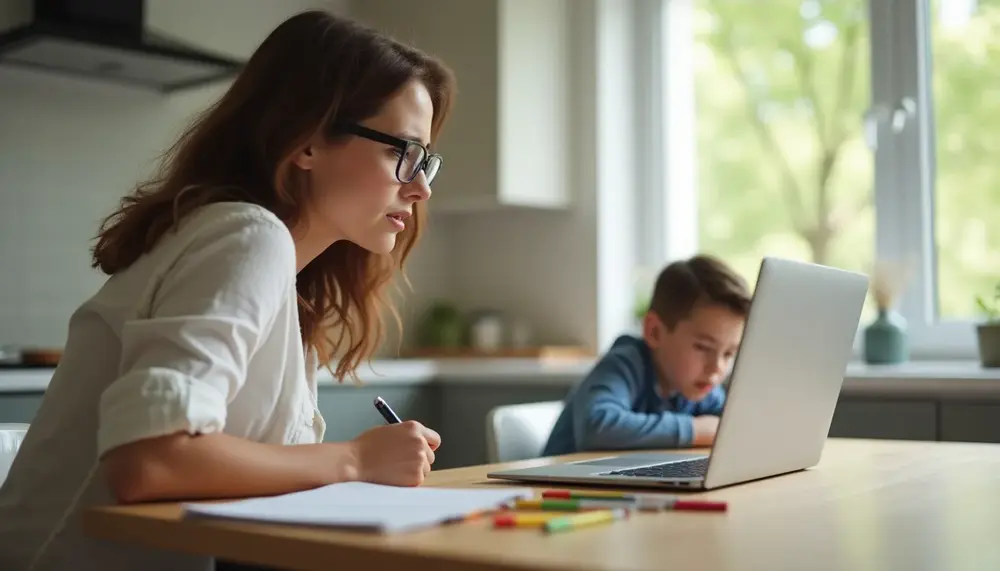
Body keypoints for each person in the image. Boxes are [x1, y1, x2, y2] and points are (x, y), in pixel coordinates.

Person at [0, 10, 455, 571]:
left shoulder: (277, 275)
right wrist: (355, 459)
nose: (419, 189)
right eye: (401, 152)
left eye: (426, 162)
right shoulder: (249, 238)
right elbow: (149, 462)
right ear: (307, 140)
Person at [542, 255, 752, 456]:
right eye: (703, 347)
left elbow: (732, 426)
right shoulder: (624, 365)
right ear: (654, 332)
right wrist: (695, 429)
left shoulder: (697, 388)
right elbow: (596, 426)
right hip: (559, 489)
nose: (717, 367)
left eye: (729, 354)